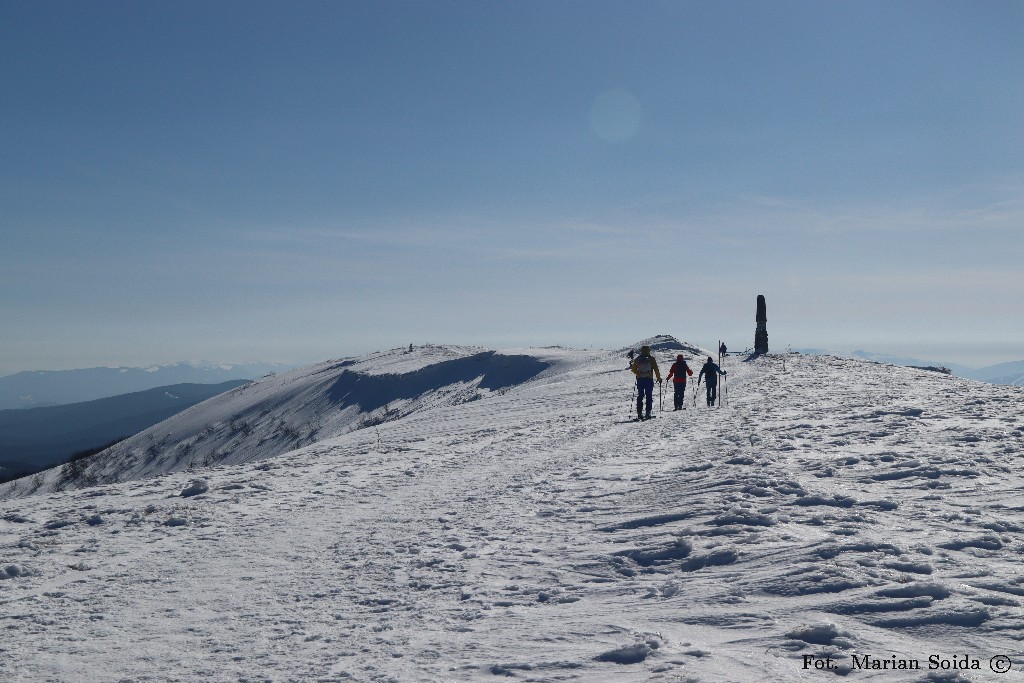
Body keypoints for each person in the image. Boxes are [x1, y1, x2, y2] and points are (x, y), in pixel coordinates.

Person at [630, 345, 662, 420]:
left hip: (640, 380)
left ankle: (639, 413)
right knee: (649, 396)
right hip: (649, 380)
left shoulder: (638, 359)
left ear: (641, 351)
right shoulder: (651, 359)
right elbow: (656, 369)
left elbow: (633, 369)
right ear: (648, 351)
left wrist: (638, 373)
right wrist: (659, 378)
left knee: (640, 396)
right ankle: (648, 413)